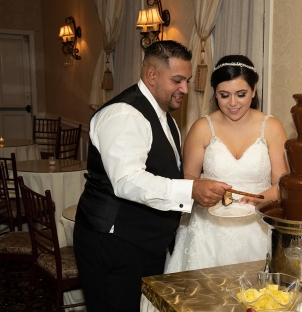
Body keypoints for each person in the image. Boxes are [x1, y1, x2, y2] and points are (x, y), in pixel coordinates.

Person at [73, 41, 231, 312]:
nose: (185, 89)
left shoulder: (167, 119)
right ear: (152, 75)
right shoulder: (124, 114)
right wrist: (190, 190)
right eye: (177, 80)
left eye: (187, 80)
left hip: (144, 245)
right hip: (113, 244)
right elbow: (127, 181)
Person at [164, 55, 289, 273]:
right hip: (208, 231)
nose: (232, 103)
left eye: (241, 94)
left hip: (257, 227)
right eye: (224, 95)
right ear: (215, 94)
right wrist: (203, 189)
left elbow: (282, 182)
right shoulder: (202, 128)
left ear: (254, 90)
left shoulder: (271, 127)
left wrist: (258, 198)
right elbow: (188, 178)